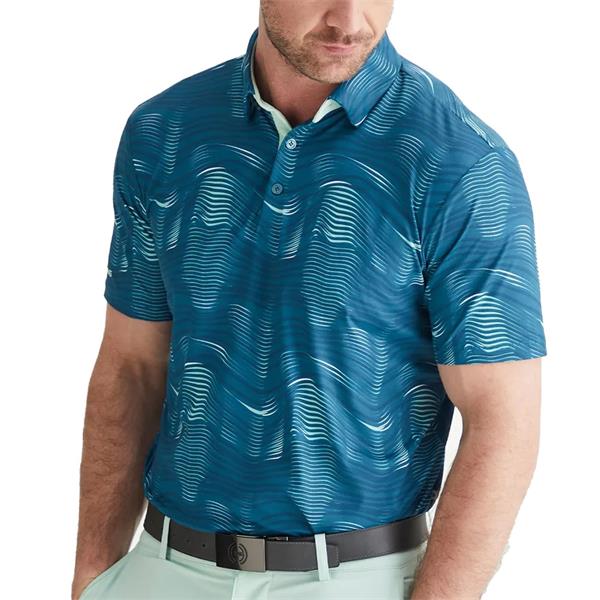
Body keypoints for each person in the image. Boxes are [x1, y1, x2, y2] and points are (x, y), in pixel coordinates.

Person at [72, 1, 547, 598]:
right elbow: (131, 366)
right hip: (163, 568)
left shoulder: (459, 160)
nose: (349, 19)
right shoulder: (165, 130)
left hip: (352, 577)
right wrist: (93, 575)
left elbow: (503, 421)